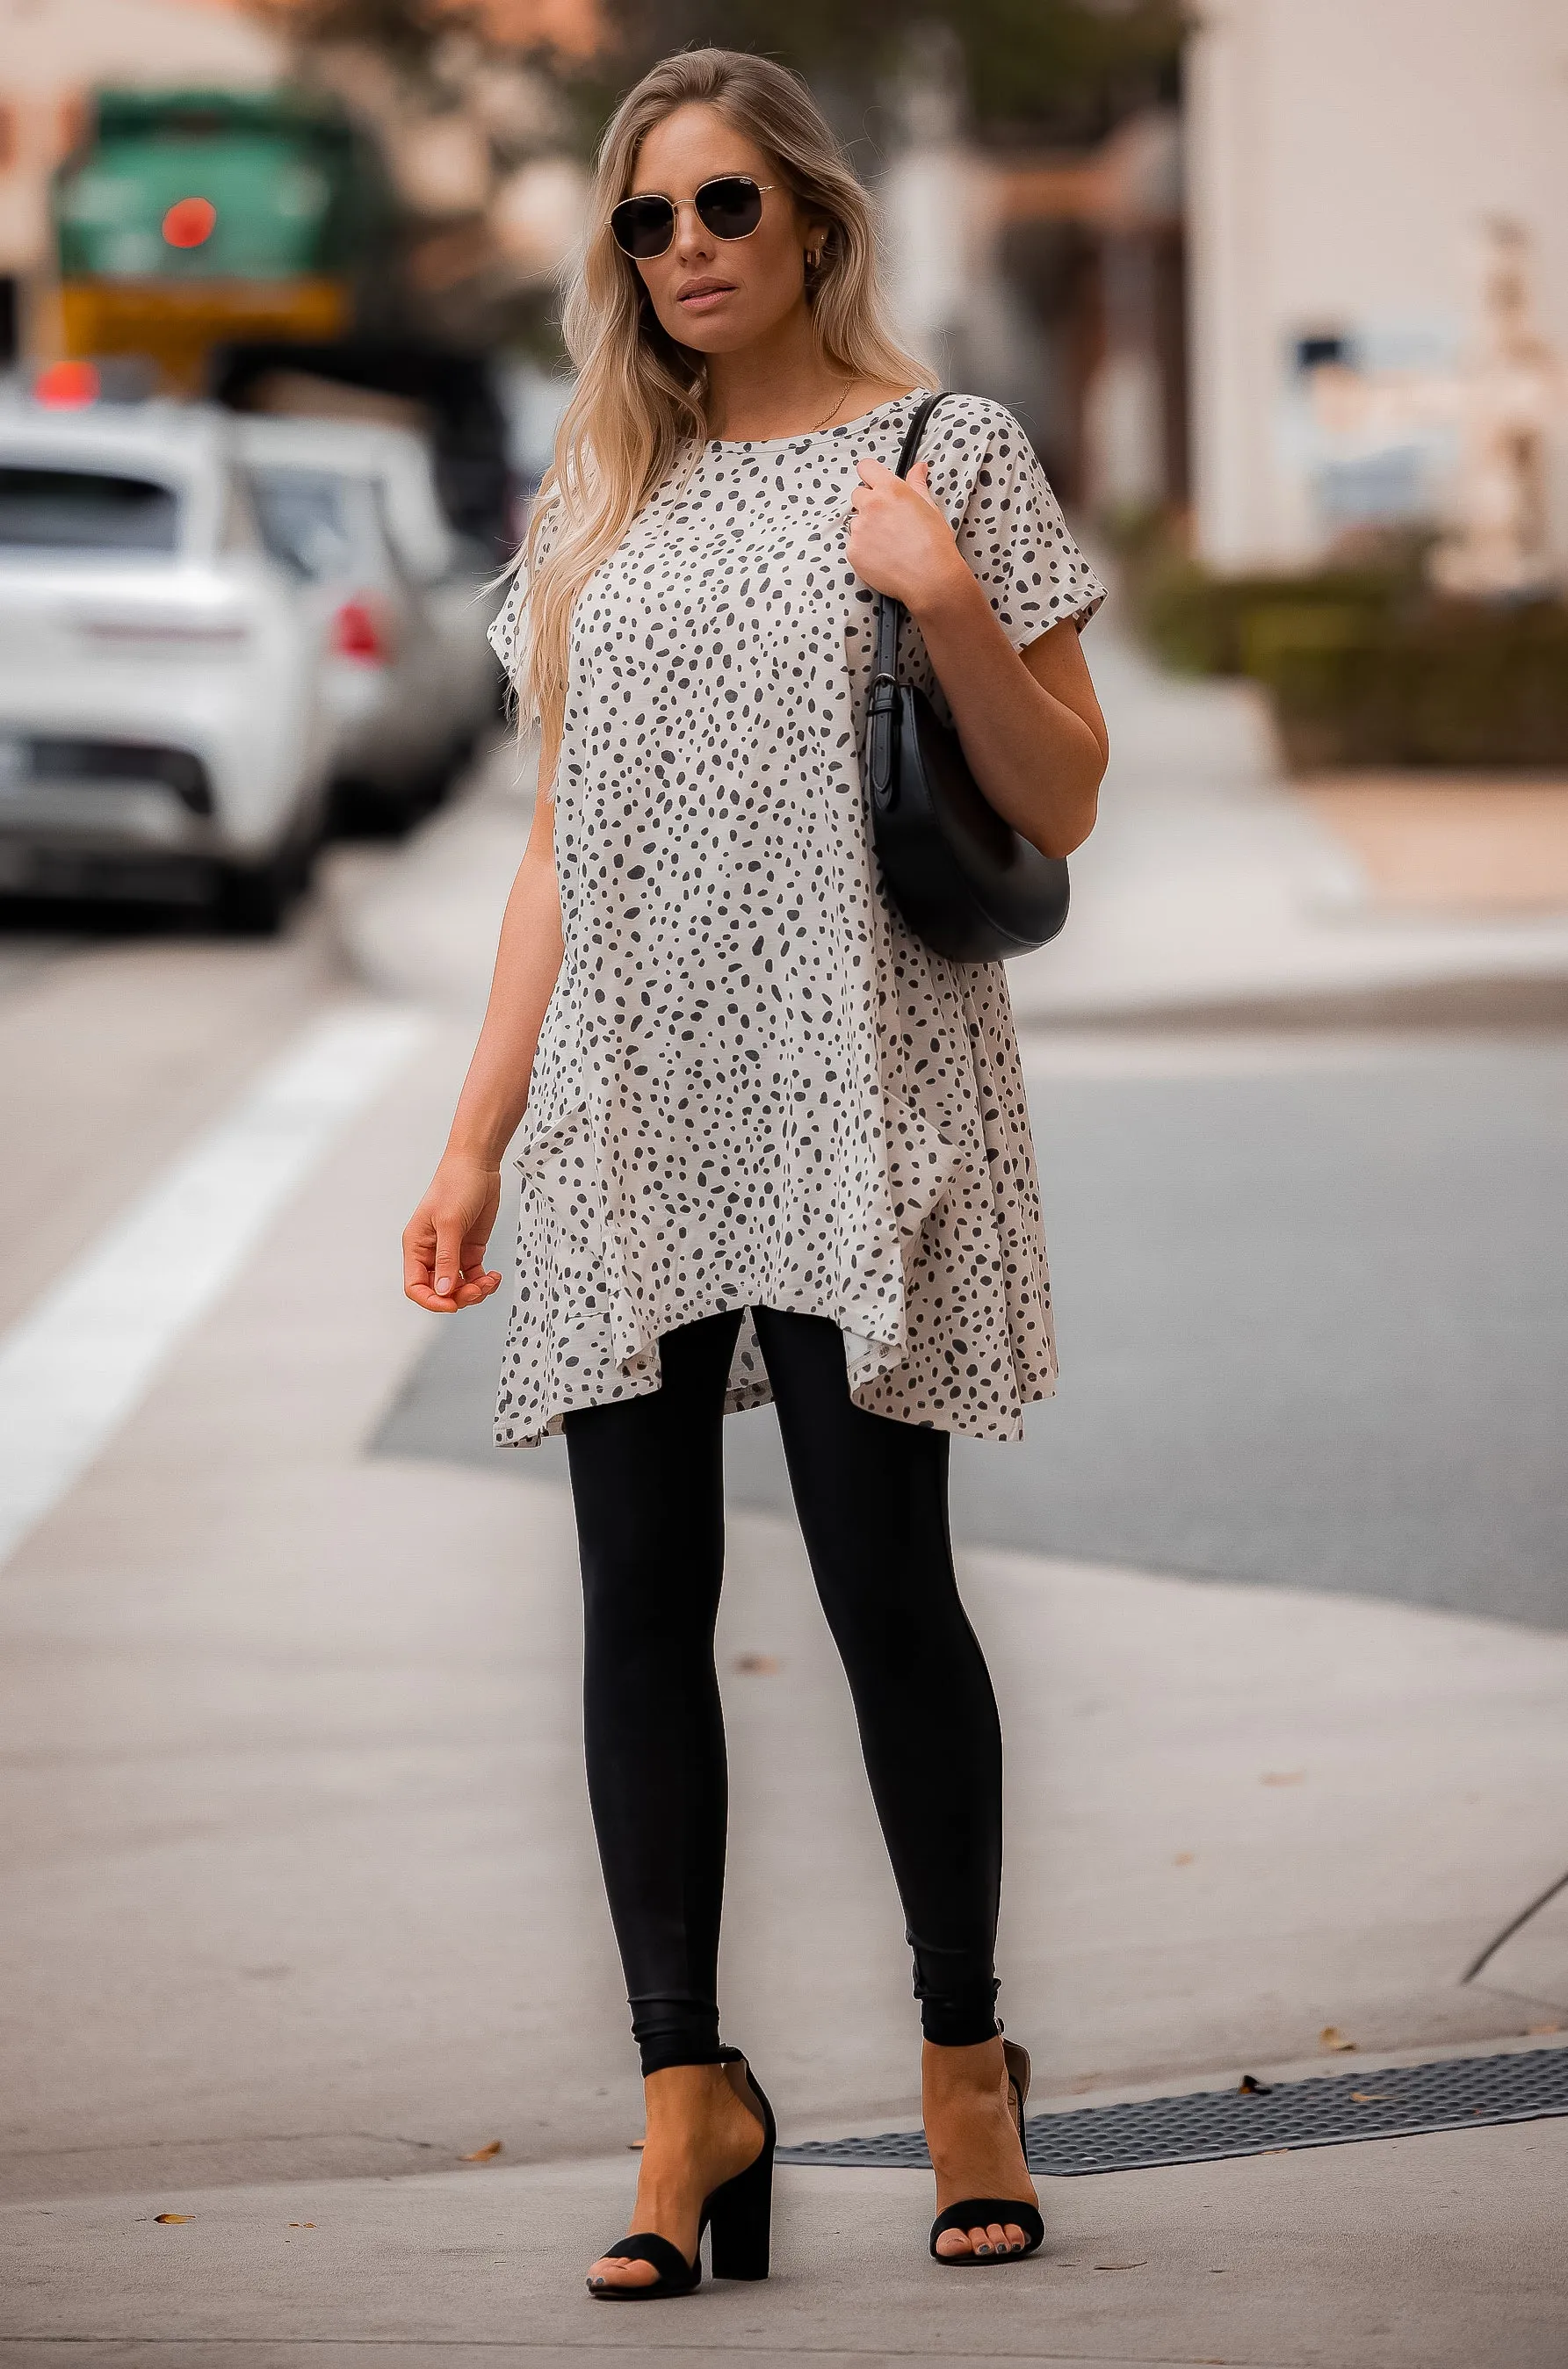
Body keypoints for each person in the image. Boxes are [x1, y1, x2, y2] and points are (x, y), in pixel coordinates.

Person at [401, 46, 1108, 2298]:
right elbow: (552, 851)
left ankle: (963, 2064)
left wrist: (950, 607)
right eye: (645, 221)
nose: (684, 252)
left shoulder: (943, 455)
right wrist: (476, 1133)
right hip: (630, 1099)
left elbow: (1067, 801)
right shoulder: (596, 492)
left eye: (721, 209)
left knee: (883, 1587)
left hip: (845, 1083)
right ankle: (682, 2093)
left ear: (807, 220)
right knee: (630, 1605)